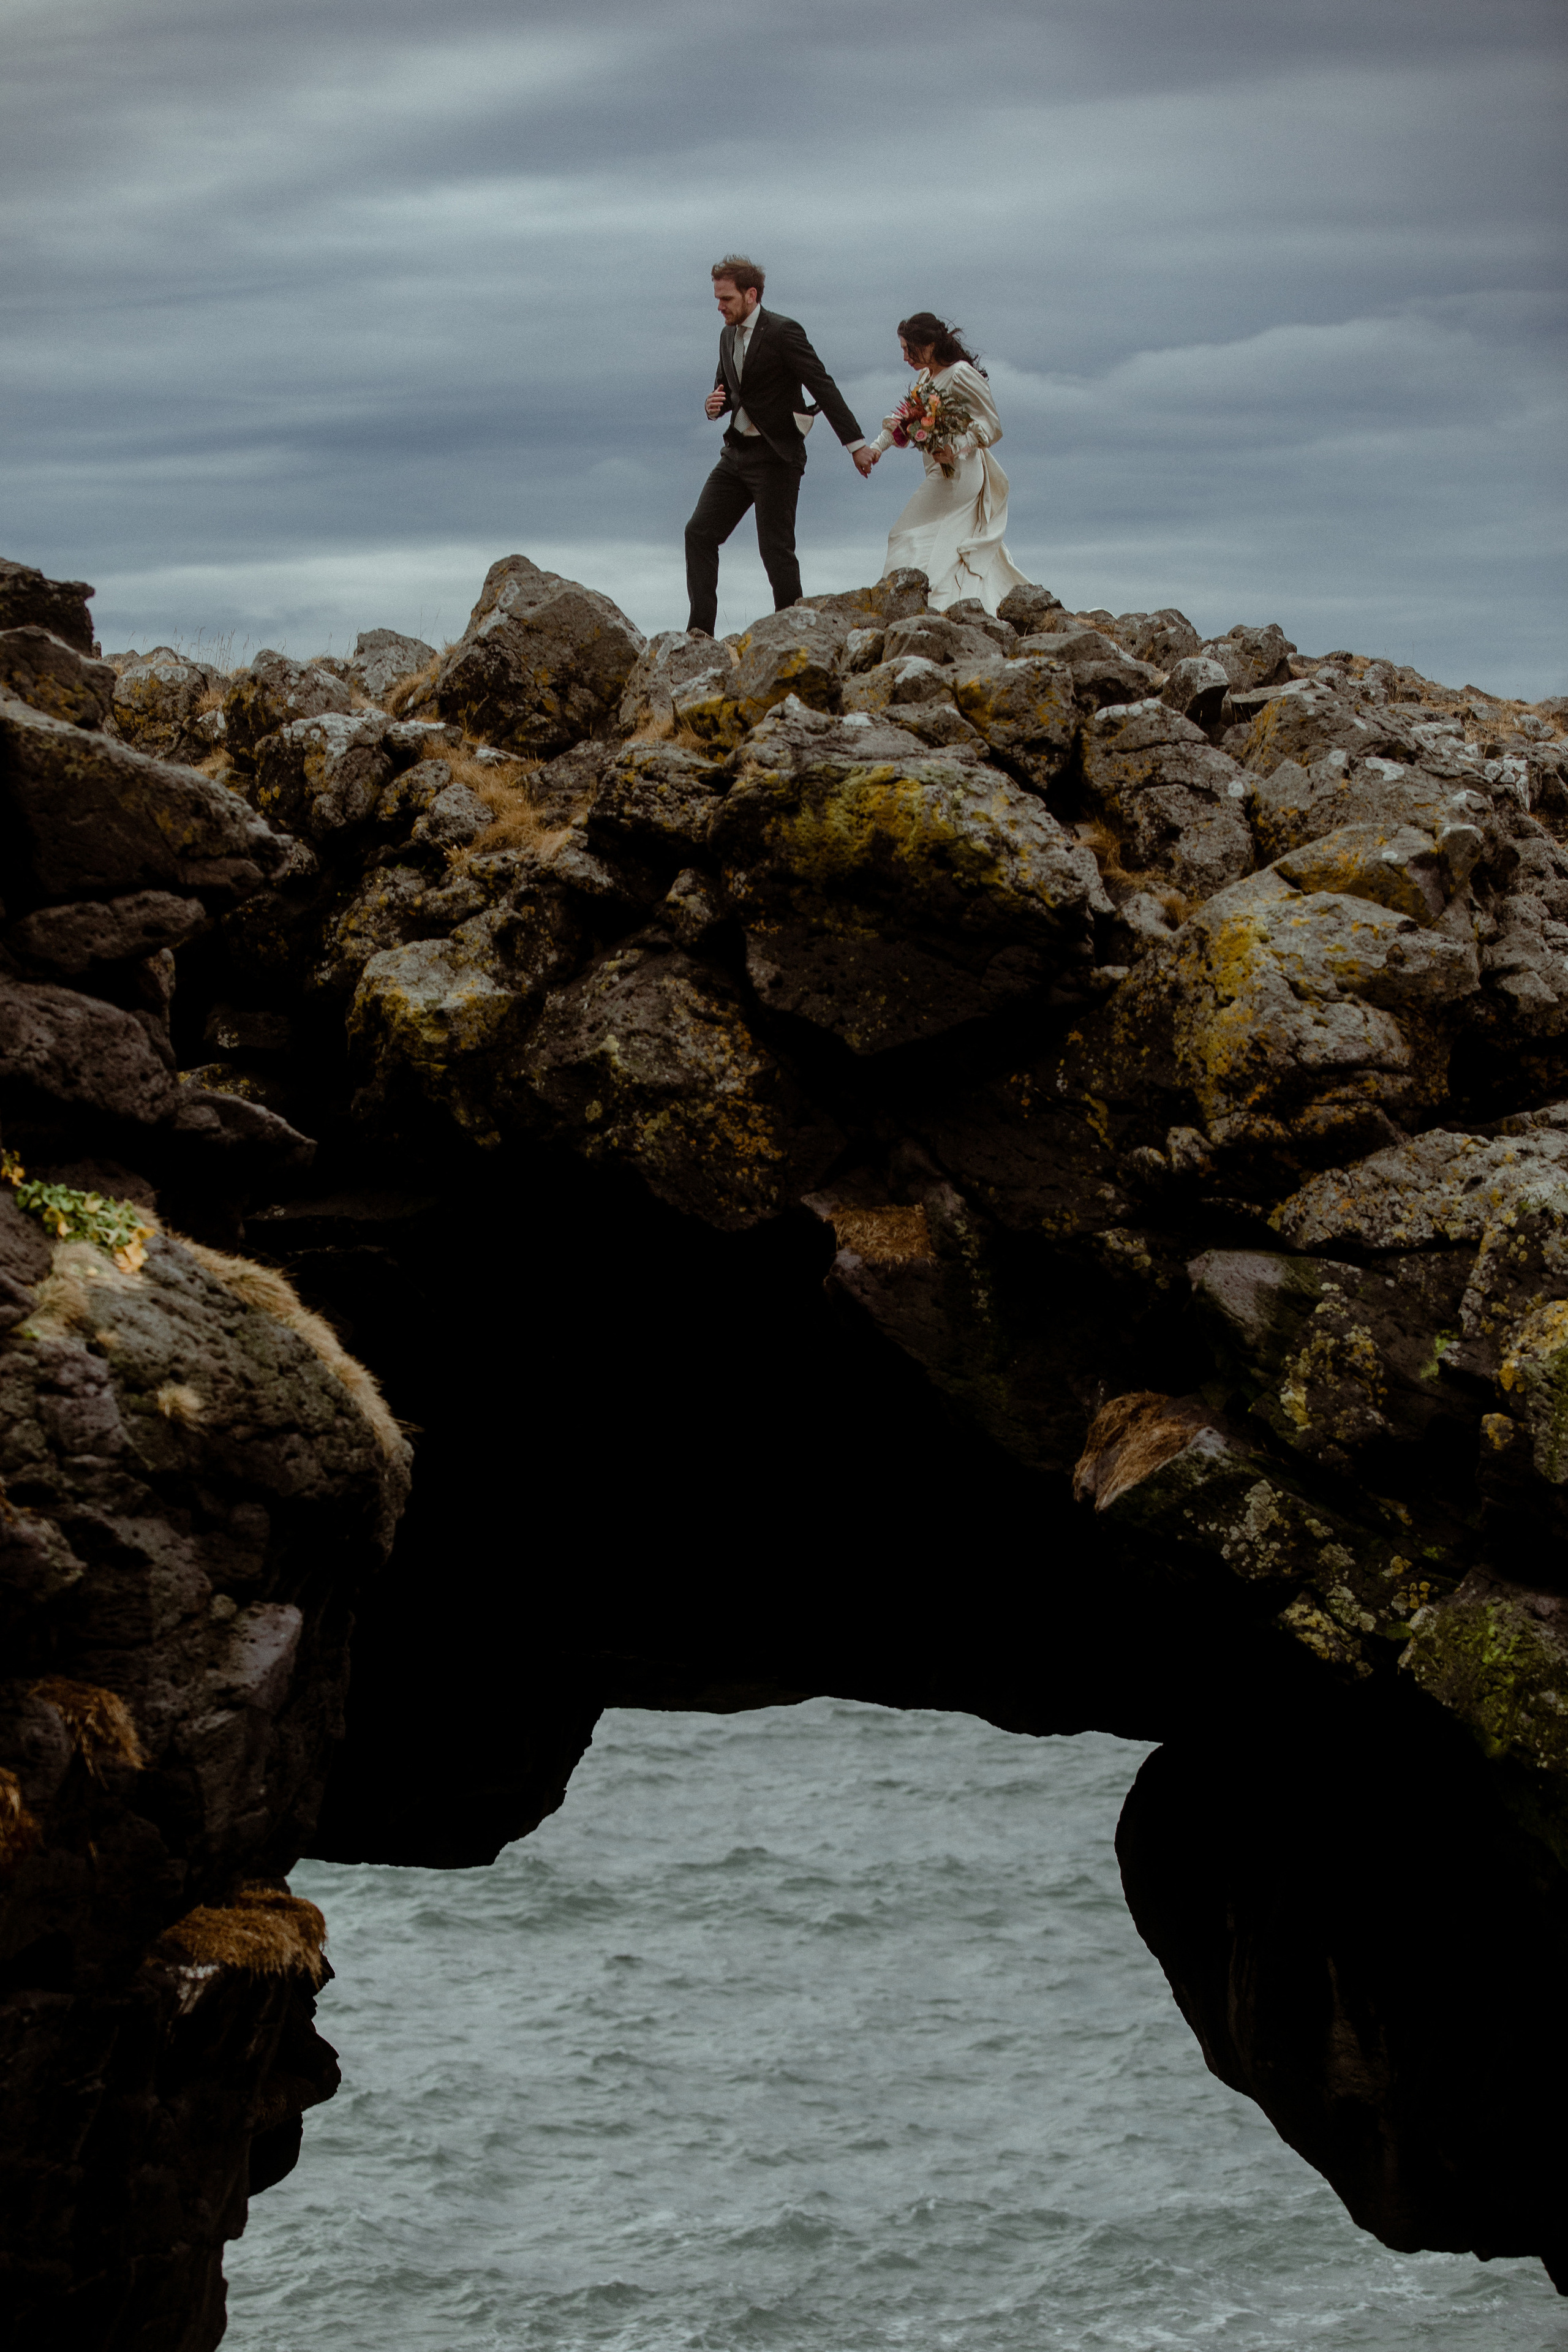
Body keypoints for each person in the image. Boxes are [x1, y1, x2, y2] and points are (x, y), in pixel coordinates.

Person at [684, 254, 873, 638]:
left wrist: (856, 445)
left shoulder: (785, 332)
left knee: (775, 551)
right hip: (735, 456)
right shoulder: (726, 336)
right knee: (699, 533)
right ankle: (699, 635)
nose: (719, 307)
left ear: (751, 295)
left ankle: (795, 637)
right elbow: (728, 391)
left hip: (776, 458)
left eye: (727, 300)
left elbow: (823, 385)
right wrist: (712, 406)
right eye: (717, 299)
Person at [864, 312, 1028, 616]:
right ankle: (950, 604)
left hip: (959, 473)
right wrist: (877, 448)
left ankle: (922, 603)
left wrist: (955, 447)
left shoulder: (961, 373)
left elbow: (990, 425)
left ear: (928, 345)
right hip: (941, 470)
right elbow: (905, 420)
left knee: (904, 532)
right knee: (946, 539)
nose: (904, 357)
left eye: (907, 349)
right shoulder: (927, 377)